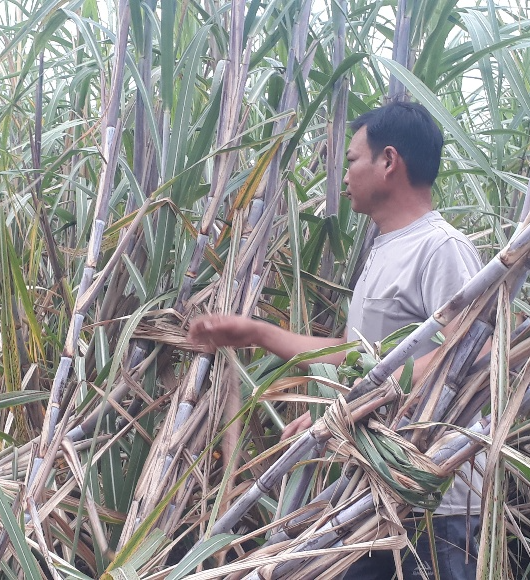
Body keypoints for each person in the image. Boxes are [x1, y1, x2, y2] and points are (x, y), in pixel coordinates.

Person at [188, 102, 483, 580]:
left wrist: (354, 407)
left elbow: (471, 357)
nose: (343, 176)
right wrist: (259, 336)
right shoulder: (385, 247)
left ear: (388, 162)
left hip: (435, 504)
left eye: (351, 160)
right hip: (375, 495)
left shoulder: (440, 248)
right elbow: (358, 357)